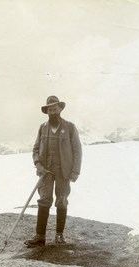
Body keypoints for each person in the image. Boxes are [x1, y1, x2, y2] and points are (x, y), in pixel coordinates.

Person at [25, 95, 82, 247]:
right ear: (47, 111)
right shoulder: (42, 128)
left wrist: (75, 171)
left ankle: (59, 235)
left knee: (62, 200)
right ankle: (40, 236)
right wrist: (38, 164)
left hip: (64, 171)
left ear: (60, 109)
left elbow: (77, 150)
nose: (52, 112)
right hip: (45, 172)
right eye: (50, 110)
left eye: (55, 109)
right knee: (44, 200)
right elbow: (36, 149)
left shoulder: (69, 127)